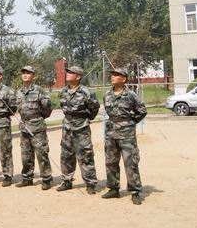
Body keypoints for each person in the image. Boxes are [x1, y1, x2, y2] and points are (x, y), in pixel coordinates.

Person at [102, 67, 147, 205]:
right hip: (110, 133)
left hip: (127, 134)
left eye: (116, 75)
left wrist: (131, 122)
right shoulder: (107, 95)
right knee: (111, 162)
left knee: (130, 162)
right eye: (112, 75)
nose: (112, 77)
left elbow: (142, 111)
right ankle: (113, 189)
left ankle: (135, 191)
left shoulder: (131, 95)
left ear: (124, 79)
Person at [57, 65, 100, 193]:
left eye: (71, 72)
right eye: (67, 72)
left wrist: (85, 119)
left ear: (78, 76)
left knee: (85, 155)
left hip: (81, 128)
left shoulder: (86, 92)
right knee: (66, 155)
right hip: (67, 128)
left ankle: (90, 183)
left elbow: (94, 108)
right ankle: (67, 181)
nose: (68, 74)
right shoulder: (63, 91)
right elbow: (63, 107)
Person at [15, 66, 53, 190]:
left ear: (33, 76)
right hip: (24, 127)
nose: (25, 75)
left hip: (37, 127)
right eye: (23, 73)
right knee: (26, 155)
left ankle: (46, 179)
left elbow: (47, 108)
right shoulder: (19, 91)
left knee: (41, 153)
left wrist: (39, 119)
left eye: (28, 73)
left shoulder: (39, 90)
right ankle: (27, 178)